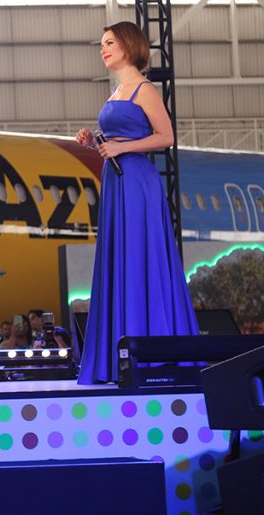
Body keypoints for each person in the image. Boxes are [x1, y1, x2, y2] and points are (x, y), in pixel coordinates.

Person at [75, 21, 199, 384]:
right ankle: (120, 356)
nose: (103, 49)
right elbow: (115, 138)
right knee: (120, 259)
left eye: (109, 42)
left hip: (137, 182)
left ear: (129, 46)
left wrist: (121, 146)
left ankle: (153, 355)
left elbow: (166, 137)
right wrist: (92, 140)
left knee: (140, 257)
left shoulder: (145, 90)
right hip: (116, 180)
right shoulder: (116, 93)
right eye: (101, 44)